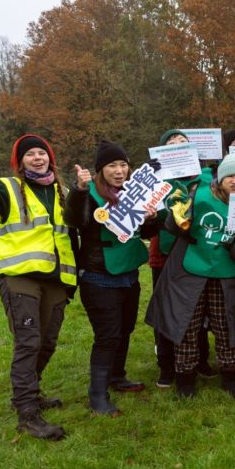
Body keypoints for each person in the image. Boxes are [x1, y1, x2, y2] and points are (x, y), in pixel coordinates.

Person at [0, 135, 76, 440]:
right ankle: (28, 414)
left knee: (47, 343)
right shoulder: (7, 187)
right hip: (20, 276)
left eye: (42, 153)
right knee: (29, 342)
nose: (38, 158)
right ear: (19, 161)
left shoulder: (62, 191)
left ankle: (30, 393)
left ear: (50, 158)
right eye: (30, 154)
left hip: (58, 278)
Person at [146, 154, 235, 399]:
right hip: (191, 269)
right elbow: (173, 228)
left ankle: (230, 375)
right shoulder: (197, 194)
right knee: (187, 326)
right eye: (230, 175)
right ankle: (185, 377)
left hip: (224, 272)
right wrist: (175, 213)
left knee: (226, 325)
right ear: (220, 179)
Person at [65, 141, 159, 416]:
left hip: (128, 271)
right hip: (99, 274)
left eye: (123, 165)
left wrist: (151, 218)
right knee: (107, 335)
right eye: (112, 166)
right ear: (99, 170)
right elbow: (75, 219)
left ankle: (117, 377)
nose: (119, 171)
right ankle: (97, 395)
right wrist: (79, 191)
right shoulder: (89, 192)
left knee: (125, 328)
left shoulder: (133, 192)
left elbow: (144, 233)